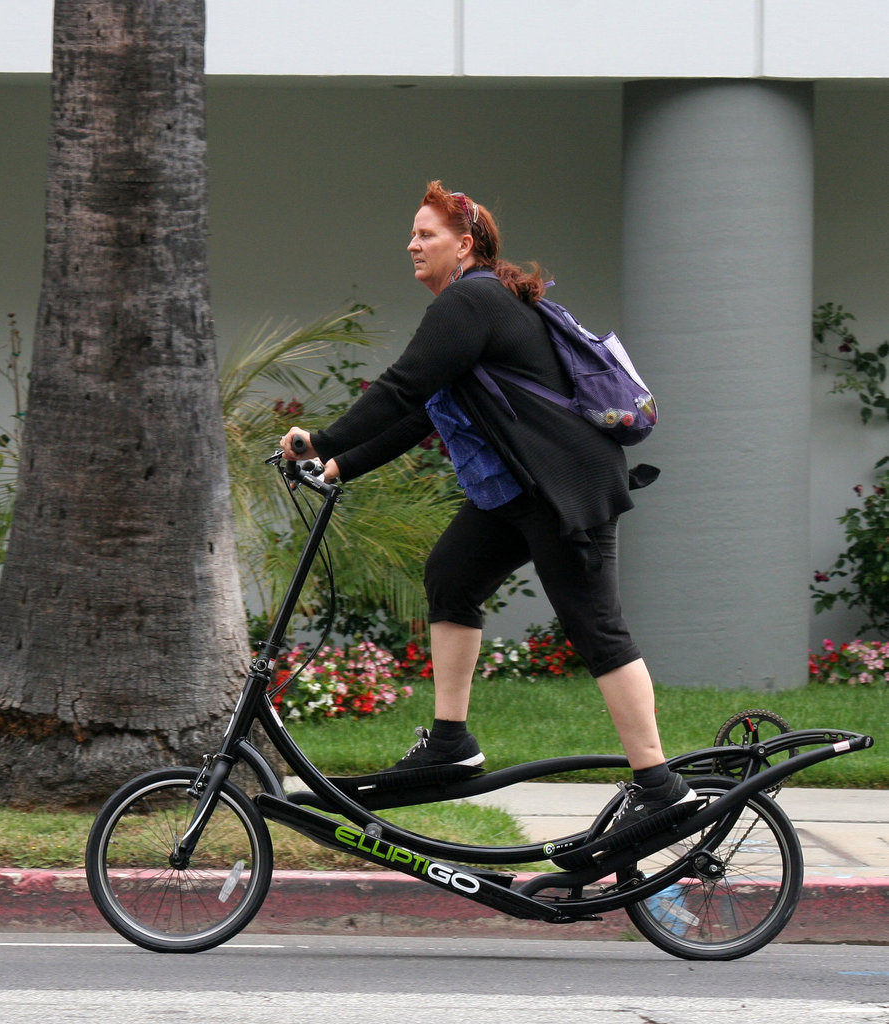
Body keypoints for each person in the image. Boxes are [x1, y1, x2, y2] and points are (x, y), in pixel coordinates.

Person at [280, 181, 697, 839]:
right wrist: (339, 464)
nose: (412, 244)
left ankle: (659, 785)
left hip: (561, 492)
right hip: (514, 494)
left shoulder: (473, 299)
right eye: (413, 234)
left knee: (597, 630)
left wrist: (323, 438)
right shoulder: (472, 304)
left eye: (426, 234)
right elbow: (420, 410)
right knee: (452, 574)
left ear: (464, 244)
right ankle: (450, 741)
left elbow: (401, 386)